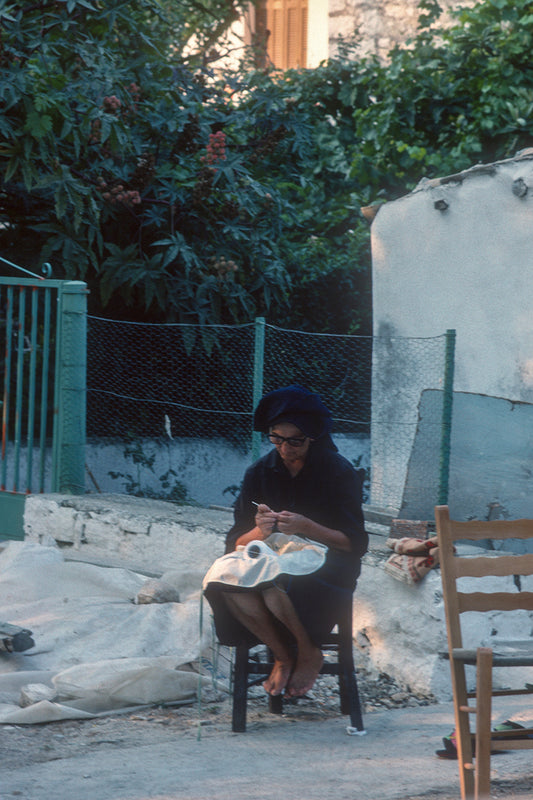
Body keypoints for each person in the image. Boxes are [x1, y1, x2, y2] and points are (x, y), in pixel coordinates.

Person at [204, 385, 368, 700]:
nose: (285, 449)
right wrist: (258, 531)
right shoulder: (260, 472)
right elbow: (235, 542)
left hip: (330, 567)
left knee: (270, 580)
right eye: (276, 439)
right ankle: (284, 654)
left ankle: (308, 651)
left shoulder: (338, 473)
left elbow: (355, 544)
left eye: (295, 441)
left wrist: (308, 527)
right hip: (272, 559)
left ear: (314, 437)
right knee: (225, 581)